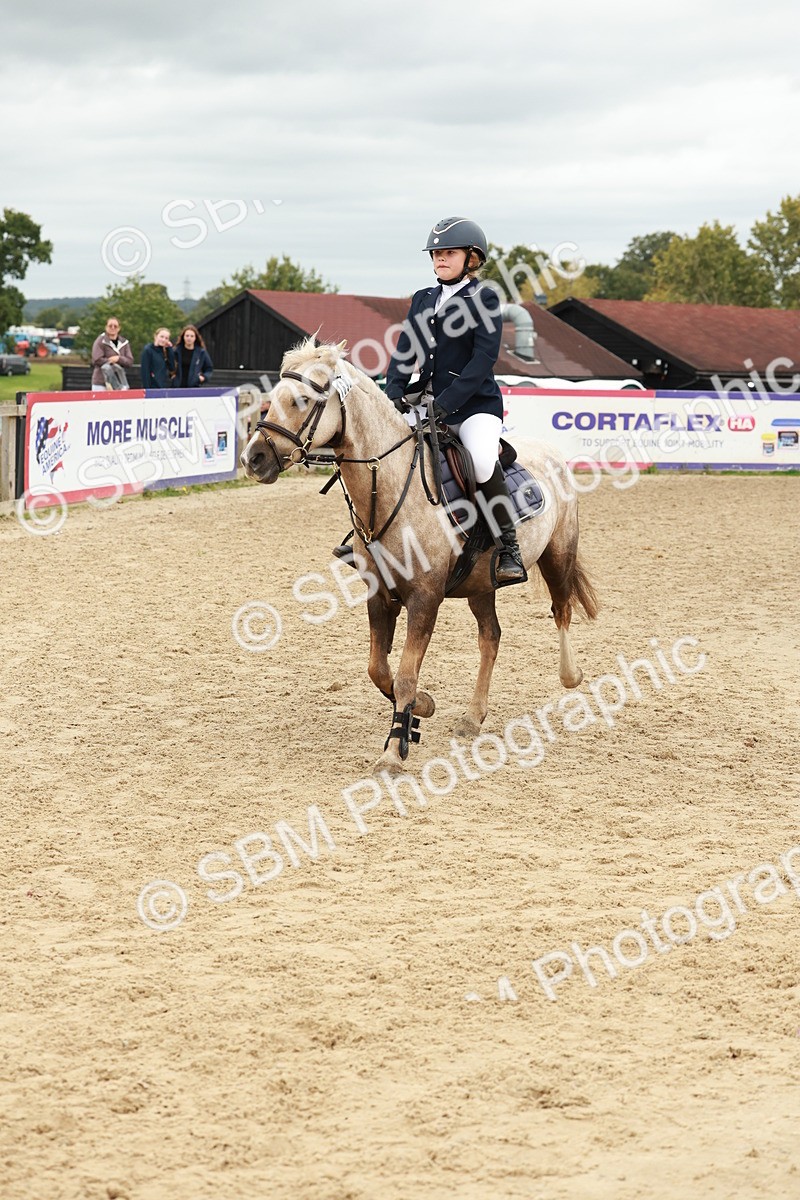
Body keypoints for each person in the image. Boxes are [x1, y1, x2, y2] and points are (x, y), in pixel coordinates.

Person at [384, 216, 526, 585]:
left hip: (475, 406)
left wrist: (445, 403)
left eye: (448, 253)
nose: (439, 259)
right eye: (436, 253)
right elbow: (405, 351)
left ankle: (509, 547)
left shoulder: (485, 297)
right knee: (391, 456)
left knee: (480, 461)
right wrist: (394, 392)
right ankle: (376, 541)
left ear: (472, 257)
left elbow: (483, 360)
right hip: (429, 403)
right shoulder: (423, 299)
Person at [90, 317, 133, 391]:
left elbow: (130, 361)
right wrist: (110, 361)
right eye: (110, 326)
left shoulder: (125, 343)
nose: (113, 328)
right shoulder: (100, 341)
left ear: (119, 328)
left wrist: (119, 359)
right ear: (106, 327)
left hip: (120, 382)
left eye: (115, 326)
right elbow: (97, 359)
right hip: (101, 382)